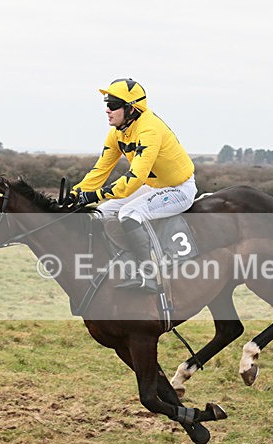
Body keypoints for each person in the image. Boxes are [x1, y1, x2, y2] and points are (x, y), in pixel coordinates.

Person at [68, 78, 197, 293]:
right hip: (155, 188)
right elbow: (101, 170)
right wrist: (76, 193)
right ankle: (122, 264)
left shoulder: (149, 130)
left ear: (131, 108)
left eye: (113, 105)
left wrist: (95, 195)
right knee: (102, 212)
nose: (107, 110)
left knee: (129, 213)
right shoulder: (118, 132)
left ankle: (147, 276)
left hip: (180, 190)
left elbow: (135, 177)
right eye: (106, 104)